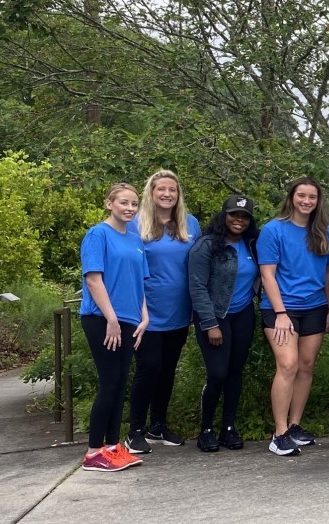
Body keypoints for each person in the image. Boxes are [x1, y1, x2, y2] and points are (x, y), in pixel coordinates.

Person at [124, 170, 200, 454]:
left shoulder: (190, 224)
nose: (167, 194)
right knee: (148, 367)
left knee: (168, 370)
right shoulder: (134, 224)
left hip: (179, 310)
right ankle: (135, 431)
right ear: (151, 193)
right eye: (161, 190)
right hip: (145, 312)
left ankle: (158, 425)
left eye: (173, 190)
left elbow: (198, 265)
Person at [259, 178, 329, 456]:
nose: (306, 201)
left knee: (305, 366)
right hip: (281, 308)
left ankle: (294, 426)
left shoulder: (322, 232)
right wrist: (280, 313)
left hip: (315, 306)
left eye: (312, 197)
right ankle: (278, 433)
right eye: (301, 195)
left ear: (318, 201)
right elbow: (267, 274)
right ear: (291, 198)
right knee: (288, 365)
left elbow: (328, 274)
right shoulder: (273, 230)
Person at [79, 183, 148, 472]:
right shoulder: (98, 235)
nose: (130, 208)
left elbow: (139, 281)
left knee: (120, 383)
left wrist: (145, 317)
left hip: (130, 320)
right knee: (109, 381)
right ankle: (94, 452)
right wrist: (111, 319)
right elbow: (94, 280)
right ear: (109, 203)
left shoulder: (134, 239)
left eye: (134, 203)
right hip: (103, 319)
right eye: (123, 202)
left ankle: (111, 446)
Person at [188, 195, 259, 452]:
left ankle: (228, 427)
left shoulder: (252, 245)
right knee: (217, 373)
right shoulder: (206, 245)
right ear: (224, 216)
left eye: (244, 216)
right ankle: (206, 428)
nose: (238, 220)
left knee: (235, 373)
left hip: (243, 314)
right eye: (234, 215)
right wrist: (209, 324)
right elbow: (196, 286)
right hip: (215, 315)